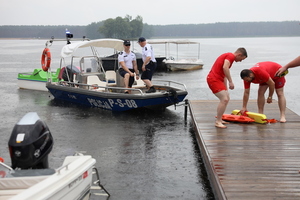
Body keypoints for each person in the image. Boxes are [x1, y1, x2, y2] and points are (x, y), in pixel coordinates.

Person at [207, 47, 248, 129]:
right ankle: (218, 122)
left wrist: (226, 88)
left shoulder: (229, 57)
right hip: (213, 79)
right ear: (239, 54)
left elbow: (224, 74)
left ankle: (220, 119)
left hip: (219, 79)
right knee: (224, 99)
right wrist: (231, 81)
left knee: (226, 97)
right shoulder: (230, 56)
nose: (240, 61)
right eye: (241, 59)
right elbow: (225, 68)